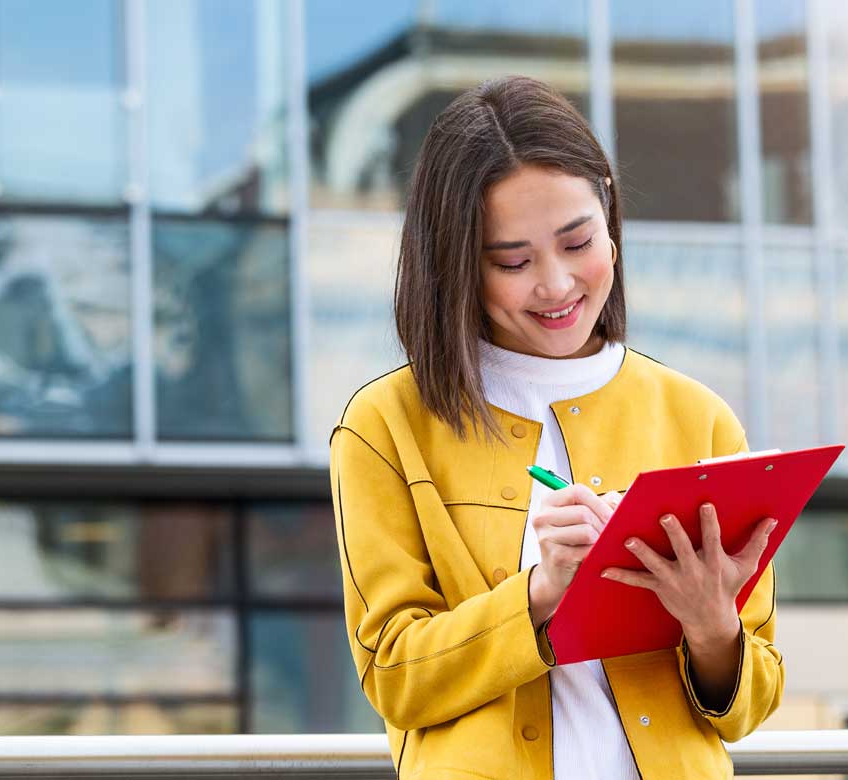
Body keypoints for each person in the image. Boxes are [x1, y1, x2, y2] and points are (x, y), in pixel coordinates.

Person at [330, 75, 784, 780]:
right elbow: (394, 675)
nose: (557, 284)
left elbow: (751, 705)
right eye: (512, 261)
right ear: (454, 264)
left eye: (578, 243)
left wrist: (710, 622)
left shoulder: (700, 419)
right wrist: (541, 593)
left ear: (609, 214)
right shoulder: (386, 426)